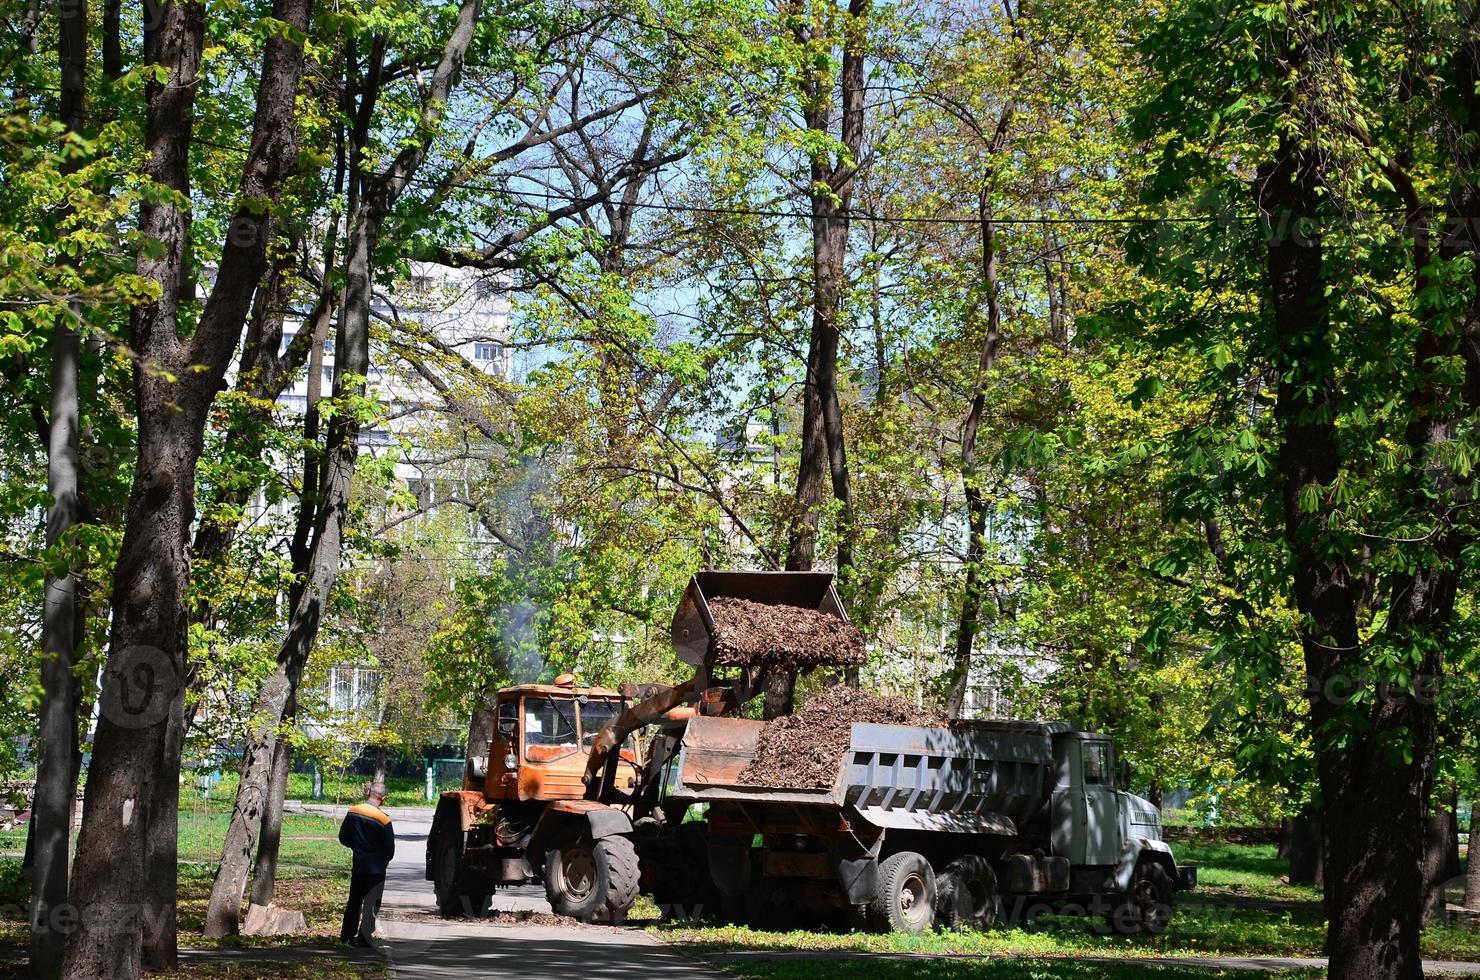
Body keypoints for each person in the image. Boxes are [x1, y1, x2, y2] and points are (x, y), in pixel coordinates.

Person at [338, 781, 395, 946]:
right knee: (372, 903)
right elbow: (389, 848)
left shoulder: (353, 811)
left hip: (359, 865)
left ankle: (346, 937)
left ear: (369, 793)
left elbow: (343, 837)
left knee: (354, 901)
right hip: (376, 869)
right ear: (383, 798)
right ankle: (364, 938)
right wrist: (383, 861)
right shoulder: (383, 820)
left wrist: (356, 847)